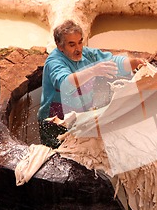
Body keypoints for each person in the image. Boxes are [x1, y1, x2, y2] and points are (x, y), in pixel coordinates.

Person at [37, 19, 145, 148]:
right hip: (55, 122)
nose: (78, 49)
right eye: (72, 45)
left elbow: (112, 61)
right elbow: (65, 84)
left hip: (80, 116)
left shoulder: (87, 54)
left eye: (80, 42)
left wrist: (135, 63)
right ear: (60, 46)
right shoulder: (55, 62)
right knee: (58, 156)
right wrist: (93, 70)